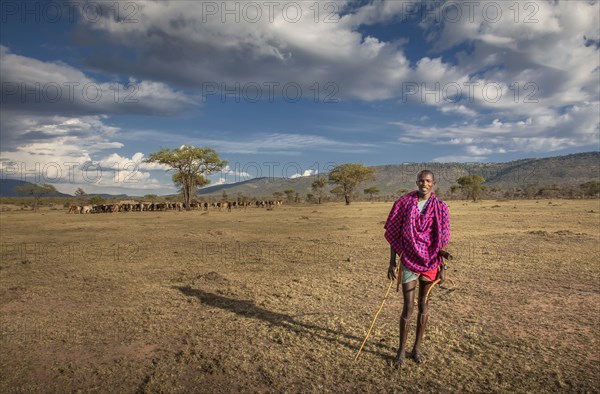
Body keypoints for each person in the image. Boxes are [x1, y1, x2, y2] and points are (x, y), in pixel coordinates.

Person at [384, 170, 450, 367]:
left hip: (431, 262)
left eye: (428, 181)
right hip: (408, 260)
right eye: (421, 180)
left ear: (433, 184)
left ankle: (417, 348)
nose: (424, 183)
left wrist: (443, 267)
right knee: (408, 306)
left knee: (424, 305)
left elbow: (442, 240)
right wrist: (392, 262)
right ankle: (401, 351)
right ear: (416, 182)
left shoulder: (440, 207)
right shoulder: (403, 204)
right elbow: (394, 234)